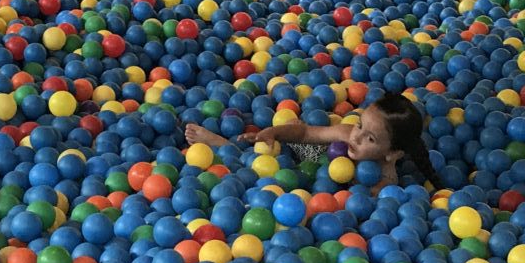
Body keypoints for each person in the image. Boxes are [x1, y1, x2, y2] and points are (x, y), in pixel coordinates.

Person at [184, 89, 435, 187]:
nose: (357, 138)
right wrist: (275, 131)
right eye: (360, 125)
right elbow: (307, 133)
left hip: (313, 182)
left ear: (391, 153)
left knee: (278, 173)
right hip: (316, 158)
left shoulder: (383, 182)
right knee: (271, 150)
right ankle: (222, 145)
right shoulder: (349, 135)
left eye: (369, 139)